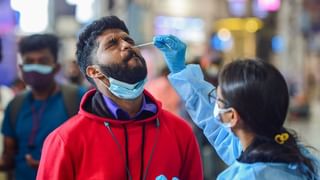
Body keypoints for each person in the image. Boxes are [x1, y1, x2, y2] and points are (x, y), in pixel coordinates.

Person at [36, 16, 203, 180]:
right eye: (112, 44)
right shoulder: (65, 141)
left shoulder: (180, 132)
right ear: (95, 72)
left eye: (129, 40)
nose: (127, 45)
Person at [153, 35, 320, 179]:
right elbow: (217, 126)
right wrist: (181, 71)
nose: (214, 106)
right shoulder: (300, 159)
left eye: (217, 99)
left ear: (232, 116)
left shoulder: (247, 175)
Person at [0, 34, 85, 180]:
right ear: (21, 68)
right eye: (29, 61)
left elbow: (91, 150)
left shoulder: (78, 99)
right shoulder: (15, 106)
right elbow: (8, 158)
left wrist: (54, 165)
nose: (35, 66)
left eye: (42, 61)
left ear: (56, 67)